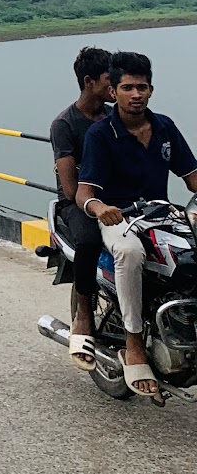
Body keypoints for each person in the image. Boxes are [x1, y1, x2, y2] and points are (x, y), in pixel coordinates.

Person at [76, 51, 197, 400]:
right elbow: (85, 192)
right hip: (121, 219)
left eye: (141, 87)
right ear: (113, 91)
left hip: (161, 214)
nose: (136, 94)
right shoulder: (101, 134)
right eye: (127, 87)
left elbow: (191, 177)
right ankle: (133, 344)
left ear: (151, 90)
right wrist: (101, 209)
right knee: (129, 253)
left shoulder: (164, 127)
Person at [48, 46, 111, 369]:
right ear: (89, 82)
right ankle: (84, 314)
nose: (116, 86)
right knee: (89, 240)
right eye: (109, 79)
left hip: (119, 198)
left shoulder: (118, 116)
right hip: (78, 203)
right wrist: (96, 203)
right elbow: (71, 189)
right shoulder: (65, 124)